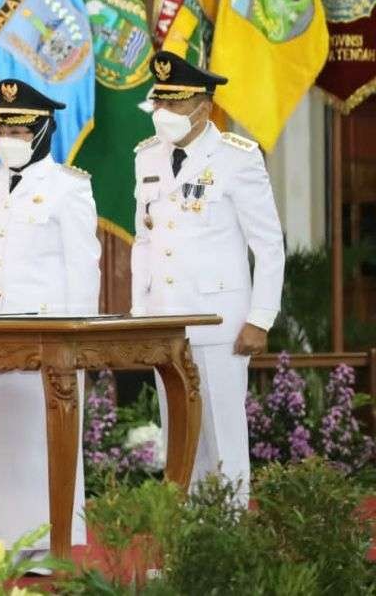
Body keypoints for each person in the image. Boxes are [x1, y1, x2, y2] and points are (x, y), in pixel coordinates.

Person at [132, 50, 284, 503]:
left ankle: (228, 550)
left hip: (221, 323)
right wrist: (140, 313)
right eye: (159, 103)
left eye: (175, 104)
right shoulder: (146, 157)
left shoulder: (237, 157)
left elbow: (269, 244)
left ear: (204, 106)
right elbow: (144, 239)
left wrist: (261, 317)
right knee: (179, 441)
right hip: (164, 324)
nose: (164, 114)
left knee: (223, 441)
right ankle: (184, 550)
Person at [0, 78, 99, 566]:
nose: (7, 137)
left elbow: (83, 271)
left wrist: (76, 343)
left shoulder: (69, 188)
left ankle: (51, 545)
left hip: (48, 340)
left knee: (46, 441)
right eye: (1, 127)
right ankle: (4, 543)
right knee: (0, 441)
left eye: (18, 129)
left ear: (43, 130)